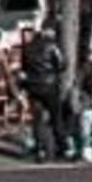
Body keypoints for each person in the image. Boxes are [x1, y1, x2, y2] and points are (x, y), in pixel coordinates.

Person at [18, 19, 73, 164]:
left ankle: (40, 150)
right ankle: (63, 148)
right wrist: (54, 71)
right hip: (50, 86)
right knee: (56, 117)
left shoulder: (28, 47)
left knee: (37, 119)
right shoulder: (52, 45)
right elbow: (62, 64)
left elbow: (23, 69)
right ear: (49, 31)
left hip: (33, 86)